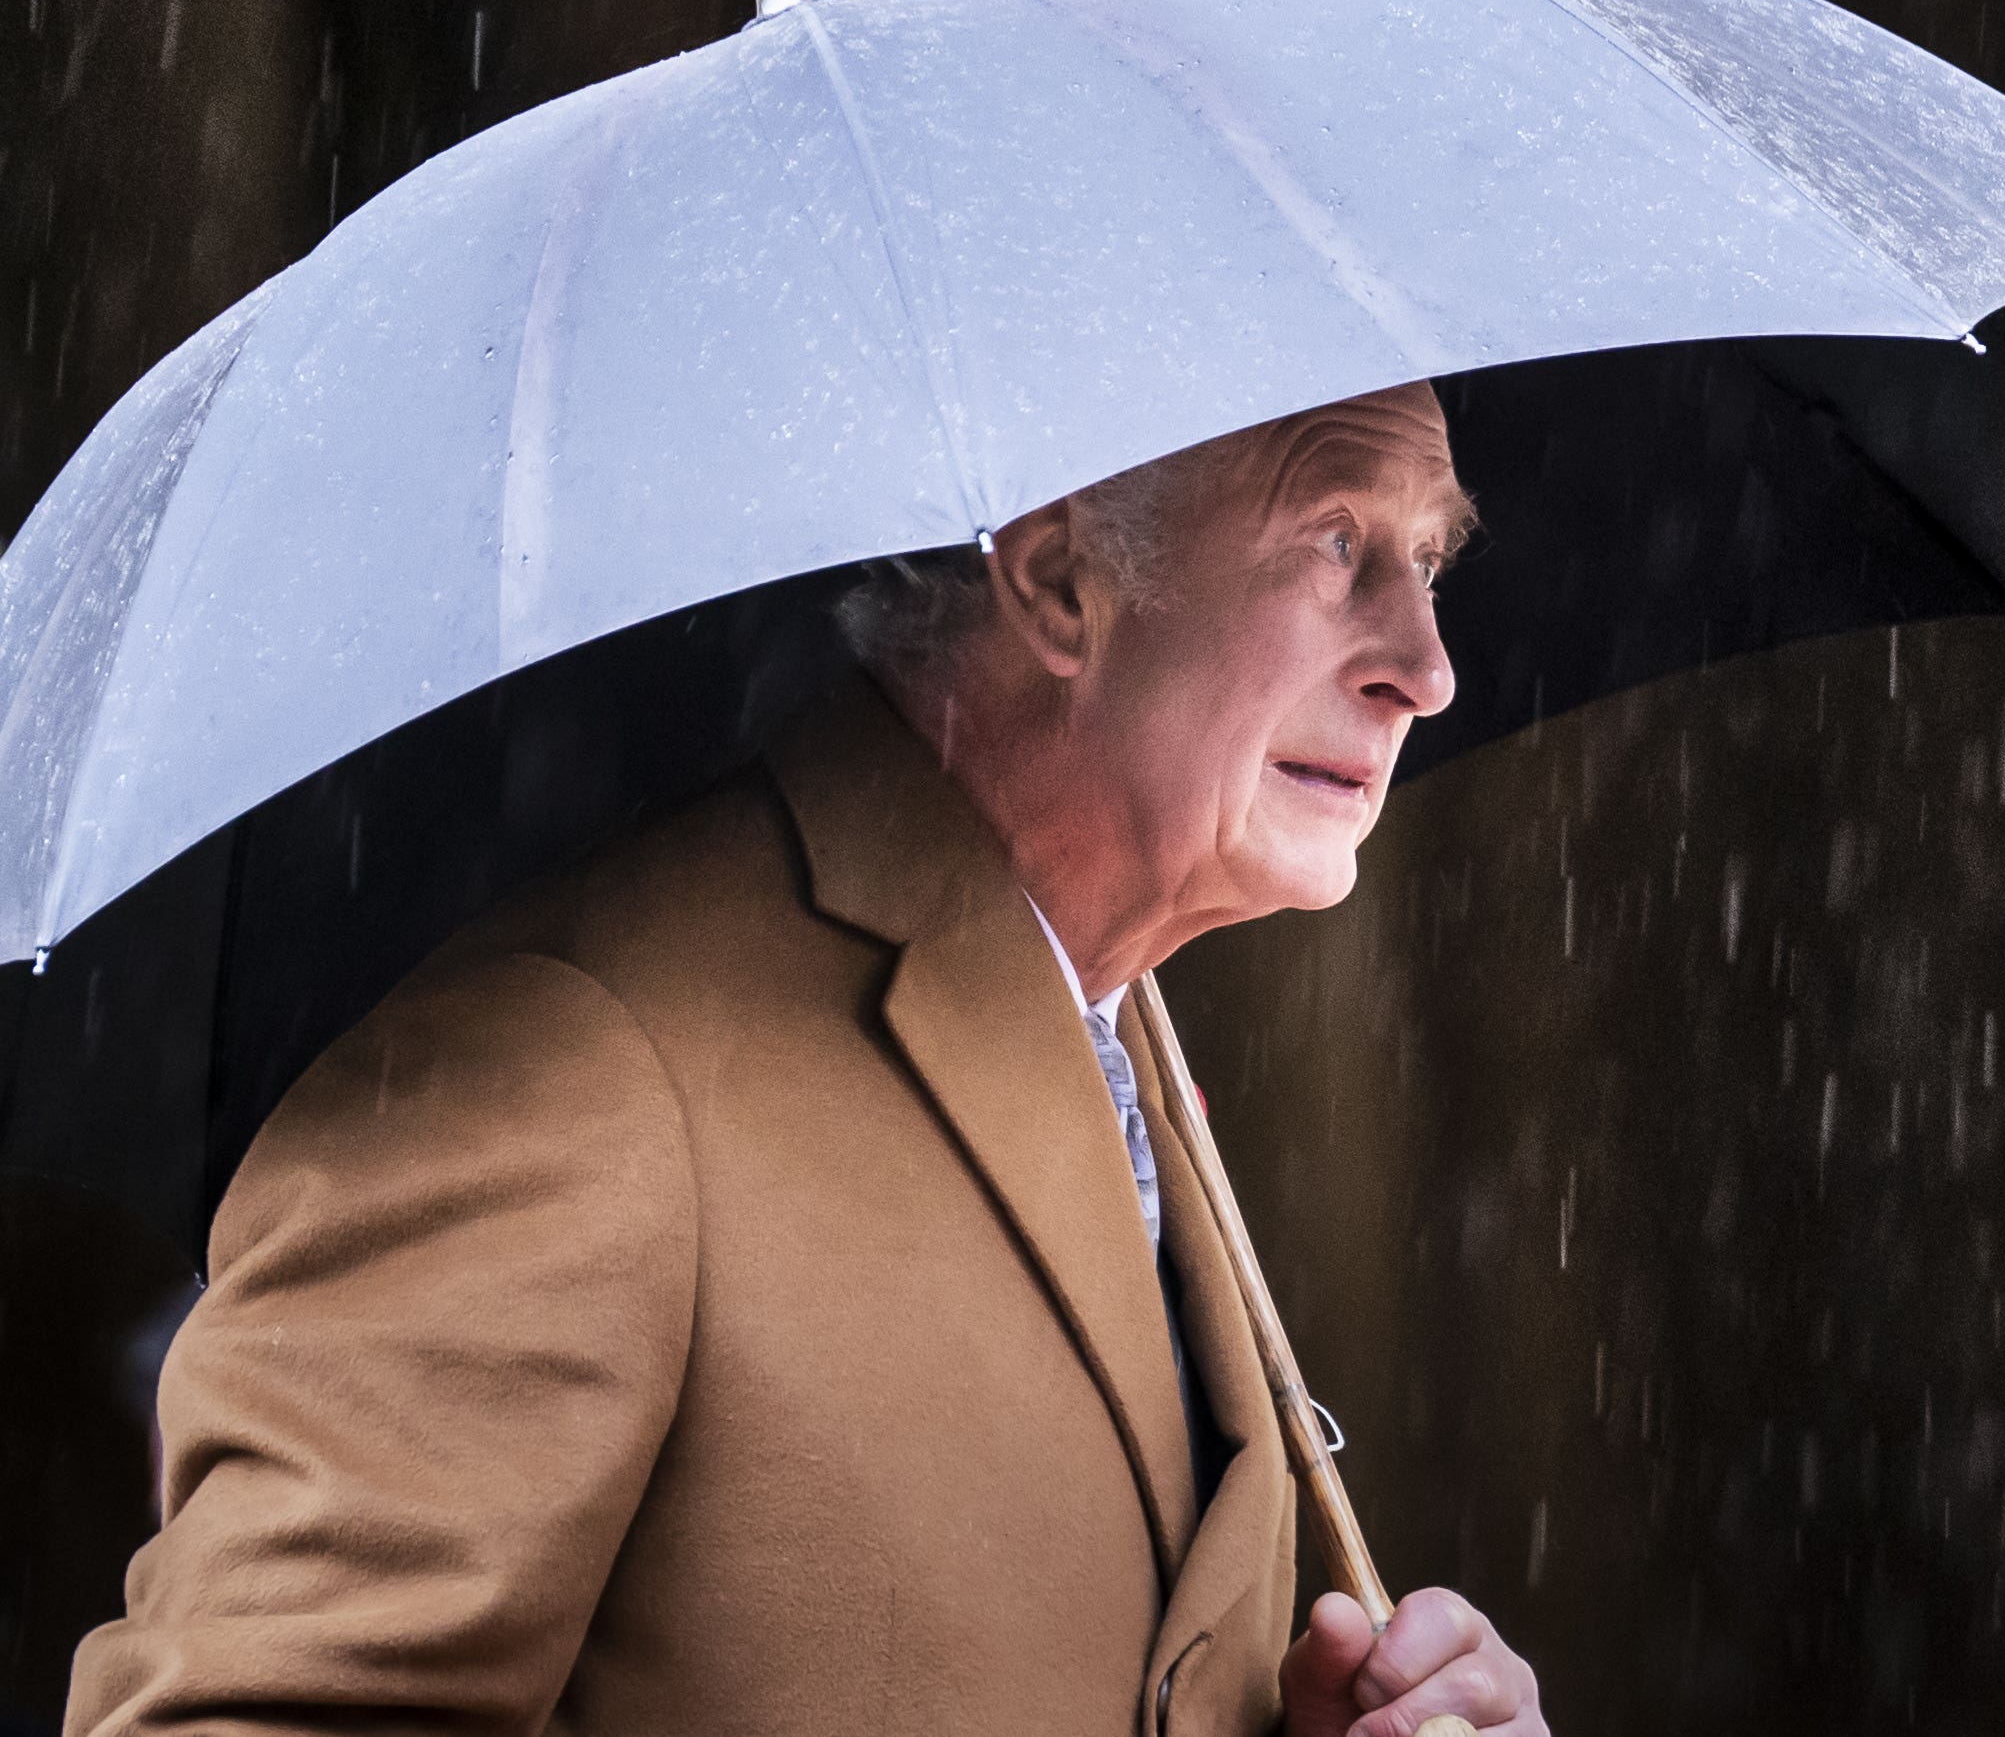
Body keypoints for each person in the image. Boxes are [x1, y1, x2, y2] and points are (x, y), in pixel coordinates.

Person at [64, 381, 1544, 1737]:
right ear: (1055, 581)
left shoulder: (1118, 1022)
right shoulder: (577, 1059)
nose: (1425, 668)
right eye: (1335, 543)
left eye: (1427, 561)